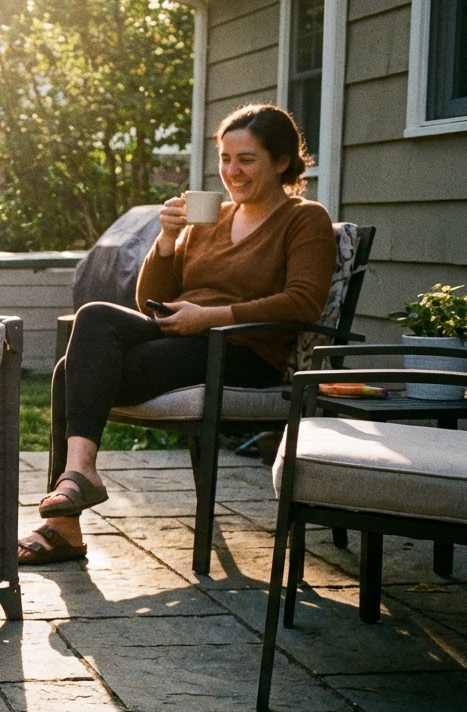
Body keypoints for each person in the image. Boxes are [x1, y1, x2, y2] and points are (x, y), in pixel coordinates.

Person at [18, 104, 336, 565]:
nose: (232, 171)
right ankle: (79, 475)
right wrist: (165, 242)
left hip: (243, 351)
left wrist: (209, 318)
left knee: (74, 372)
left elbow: (303, 302)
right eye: (225, 158)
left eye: (246, 159)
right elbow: (151, 296)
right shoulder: (210, 219)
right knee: (93, 320)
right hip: (183, 338)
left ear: (282, 161)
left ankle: (64, 520)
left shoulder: (305, 219)